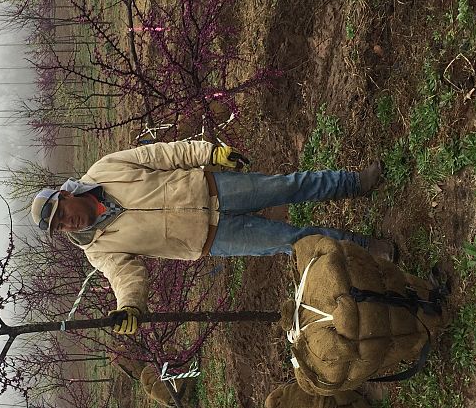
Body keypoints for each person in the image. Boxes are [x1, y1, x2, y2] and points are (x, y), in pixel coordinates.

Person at [30, 140, 391, 335]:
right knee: (294, 242)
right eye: (60, 227)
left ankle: (355, 182)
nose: (68, 223)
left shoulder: (104, 170)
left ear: (65, 195)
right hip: (212, 238)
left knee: (289, 185)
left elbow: (161, 155)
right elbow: (125, 277)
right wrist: (130, 307)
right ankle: (364, 247)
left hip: (213, 188)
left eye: (62, 214)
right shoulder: (98, 250)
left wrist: (209, 153)